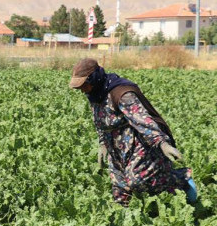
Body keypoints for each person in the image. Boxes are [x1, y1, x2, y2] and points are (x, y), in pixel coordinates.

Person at [69, 58, 197, 206]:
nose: (82, 90)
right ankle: (123, 219)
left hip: (138, 145)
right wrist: (103, 143)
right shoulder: (94, 94)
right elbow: (99, 121)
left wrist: (162, 143)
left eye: (84, 85)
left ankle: (181, 179)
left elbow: (143, 121)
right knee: (120, 190)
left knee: (138, 181)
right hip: (115, 148)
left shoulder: (121, 94)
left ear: (94, 78)